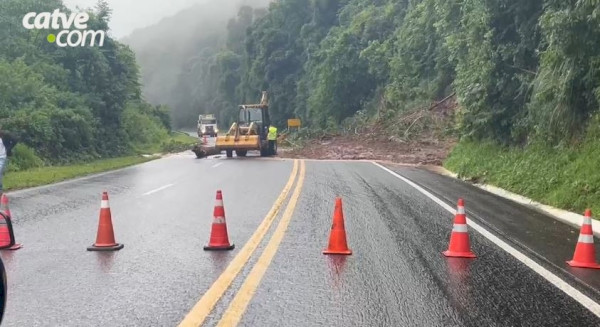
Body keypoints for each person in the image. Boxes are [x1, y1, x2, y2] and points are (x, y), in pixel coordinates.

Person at [0, 131, 17, 197]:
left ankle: (0, 190)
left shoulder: (5, 135)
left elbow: (15, 139)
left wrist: (9, 148)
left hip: (2, 157)